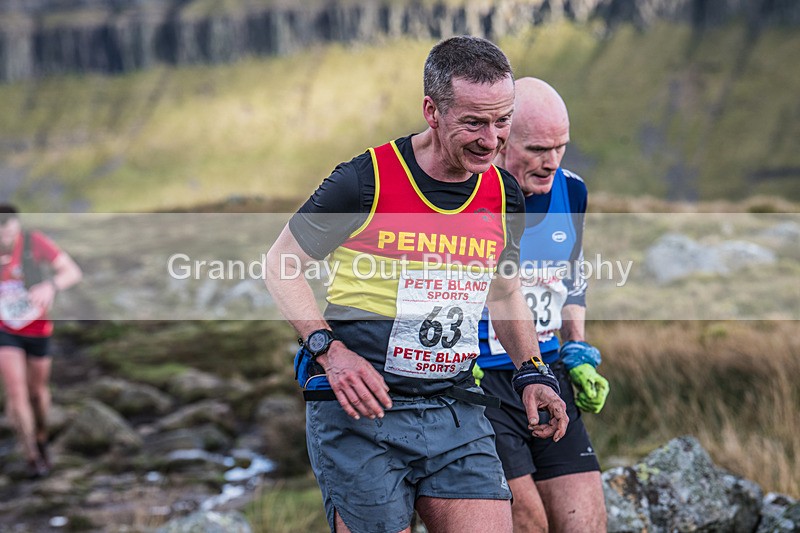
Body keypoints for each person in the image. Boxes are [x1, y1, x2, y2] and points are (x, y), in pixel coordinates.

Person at [266, 37, 568, 533]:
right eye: (473, 122)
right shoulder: (366, 180)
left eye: (503, 120)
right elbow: (281, 264)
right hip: (360, 412)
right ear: (432, 110)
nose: (492, 141)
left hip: (454, 407)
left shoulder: (502, 193)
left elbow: (504, 291)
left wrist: (532, 371)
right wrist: (329, 351)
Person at [475, 78, 609, 532]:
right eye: (537, 149)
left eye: (561, 147)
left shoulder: (572, 191)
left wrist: (578, 351)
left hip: (547, 372)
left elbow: (572, 275)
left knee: (586, 521)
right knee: (527, 520)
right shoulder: (467, 196)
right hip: (481, 381)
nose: (551, 161)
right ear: (500, 140)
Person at [0, 205, 82, 478]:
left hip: (36, 327)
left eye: (10, 230)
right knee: (16, 391)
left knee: (37, 393)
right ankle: (31, 455)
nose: (6, 236)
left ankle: (42, 436)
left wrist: (51, 286)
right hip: (4, 329)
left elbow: (72, 272)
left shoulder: (34, 243)